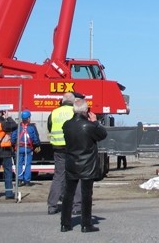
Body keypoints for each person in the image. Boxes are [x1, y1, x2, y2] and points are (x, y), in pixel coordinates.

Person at [60, 98, 108, 233]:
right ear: (86, 110)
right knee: (86, 194)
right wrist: (96, 123)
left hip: (71, 162)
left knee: (68, 193)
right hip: (87, 163)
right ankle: (86, 224)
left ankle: (65, 223)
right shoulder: (89, 126)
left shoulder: (66, 125)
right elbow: (103, 134)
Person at [48, 92, 83, 215]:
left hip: (58, 147)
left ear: (62, 101)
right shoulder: (75, 112)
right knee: (77, 175)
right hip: (73, 148)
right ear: (73, 102)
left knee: (58, 176)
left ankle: (52, 205)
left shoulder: (54, 112)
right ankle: (77, 205)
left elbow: (49, 127)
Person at [14, 110, 41, 186]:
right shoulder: (32, 127)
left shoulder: (18, 127)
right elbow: (35, 138)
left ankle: (19, 180)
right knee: (28, 164)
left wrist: (13, 144)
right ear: (28, 118)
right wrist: (38, 145)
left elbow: (13, 136)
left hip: (19, 148)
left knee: (19, 164)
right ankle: (27, 181)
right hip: (28, 148)